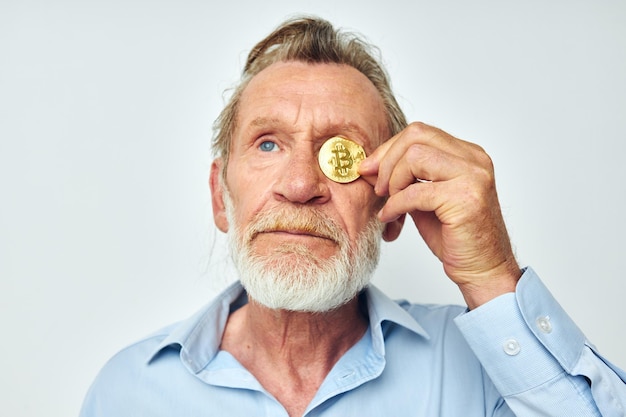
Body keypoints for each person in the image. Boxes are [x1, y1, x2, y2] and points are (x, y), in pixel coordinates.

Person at [80, 16, 626, 417]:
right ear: (221, 198)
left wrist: (491, 276)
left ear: (391, 209)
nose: (299, 186)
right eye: (268, 144)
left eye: (338, 151)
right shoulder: (126, 391)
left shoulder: (487, 374)